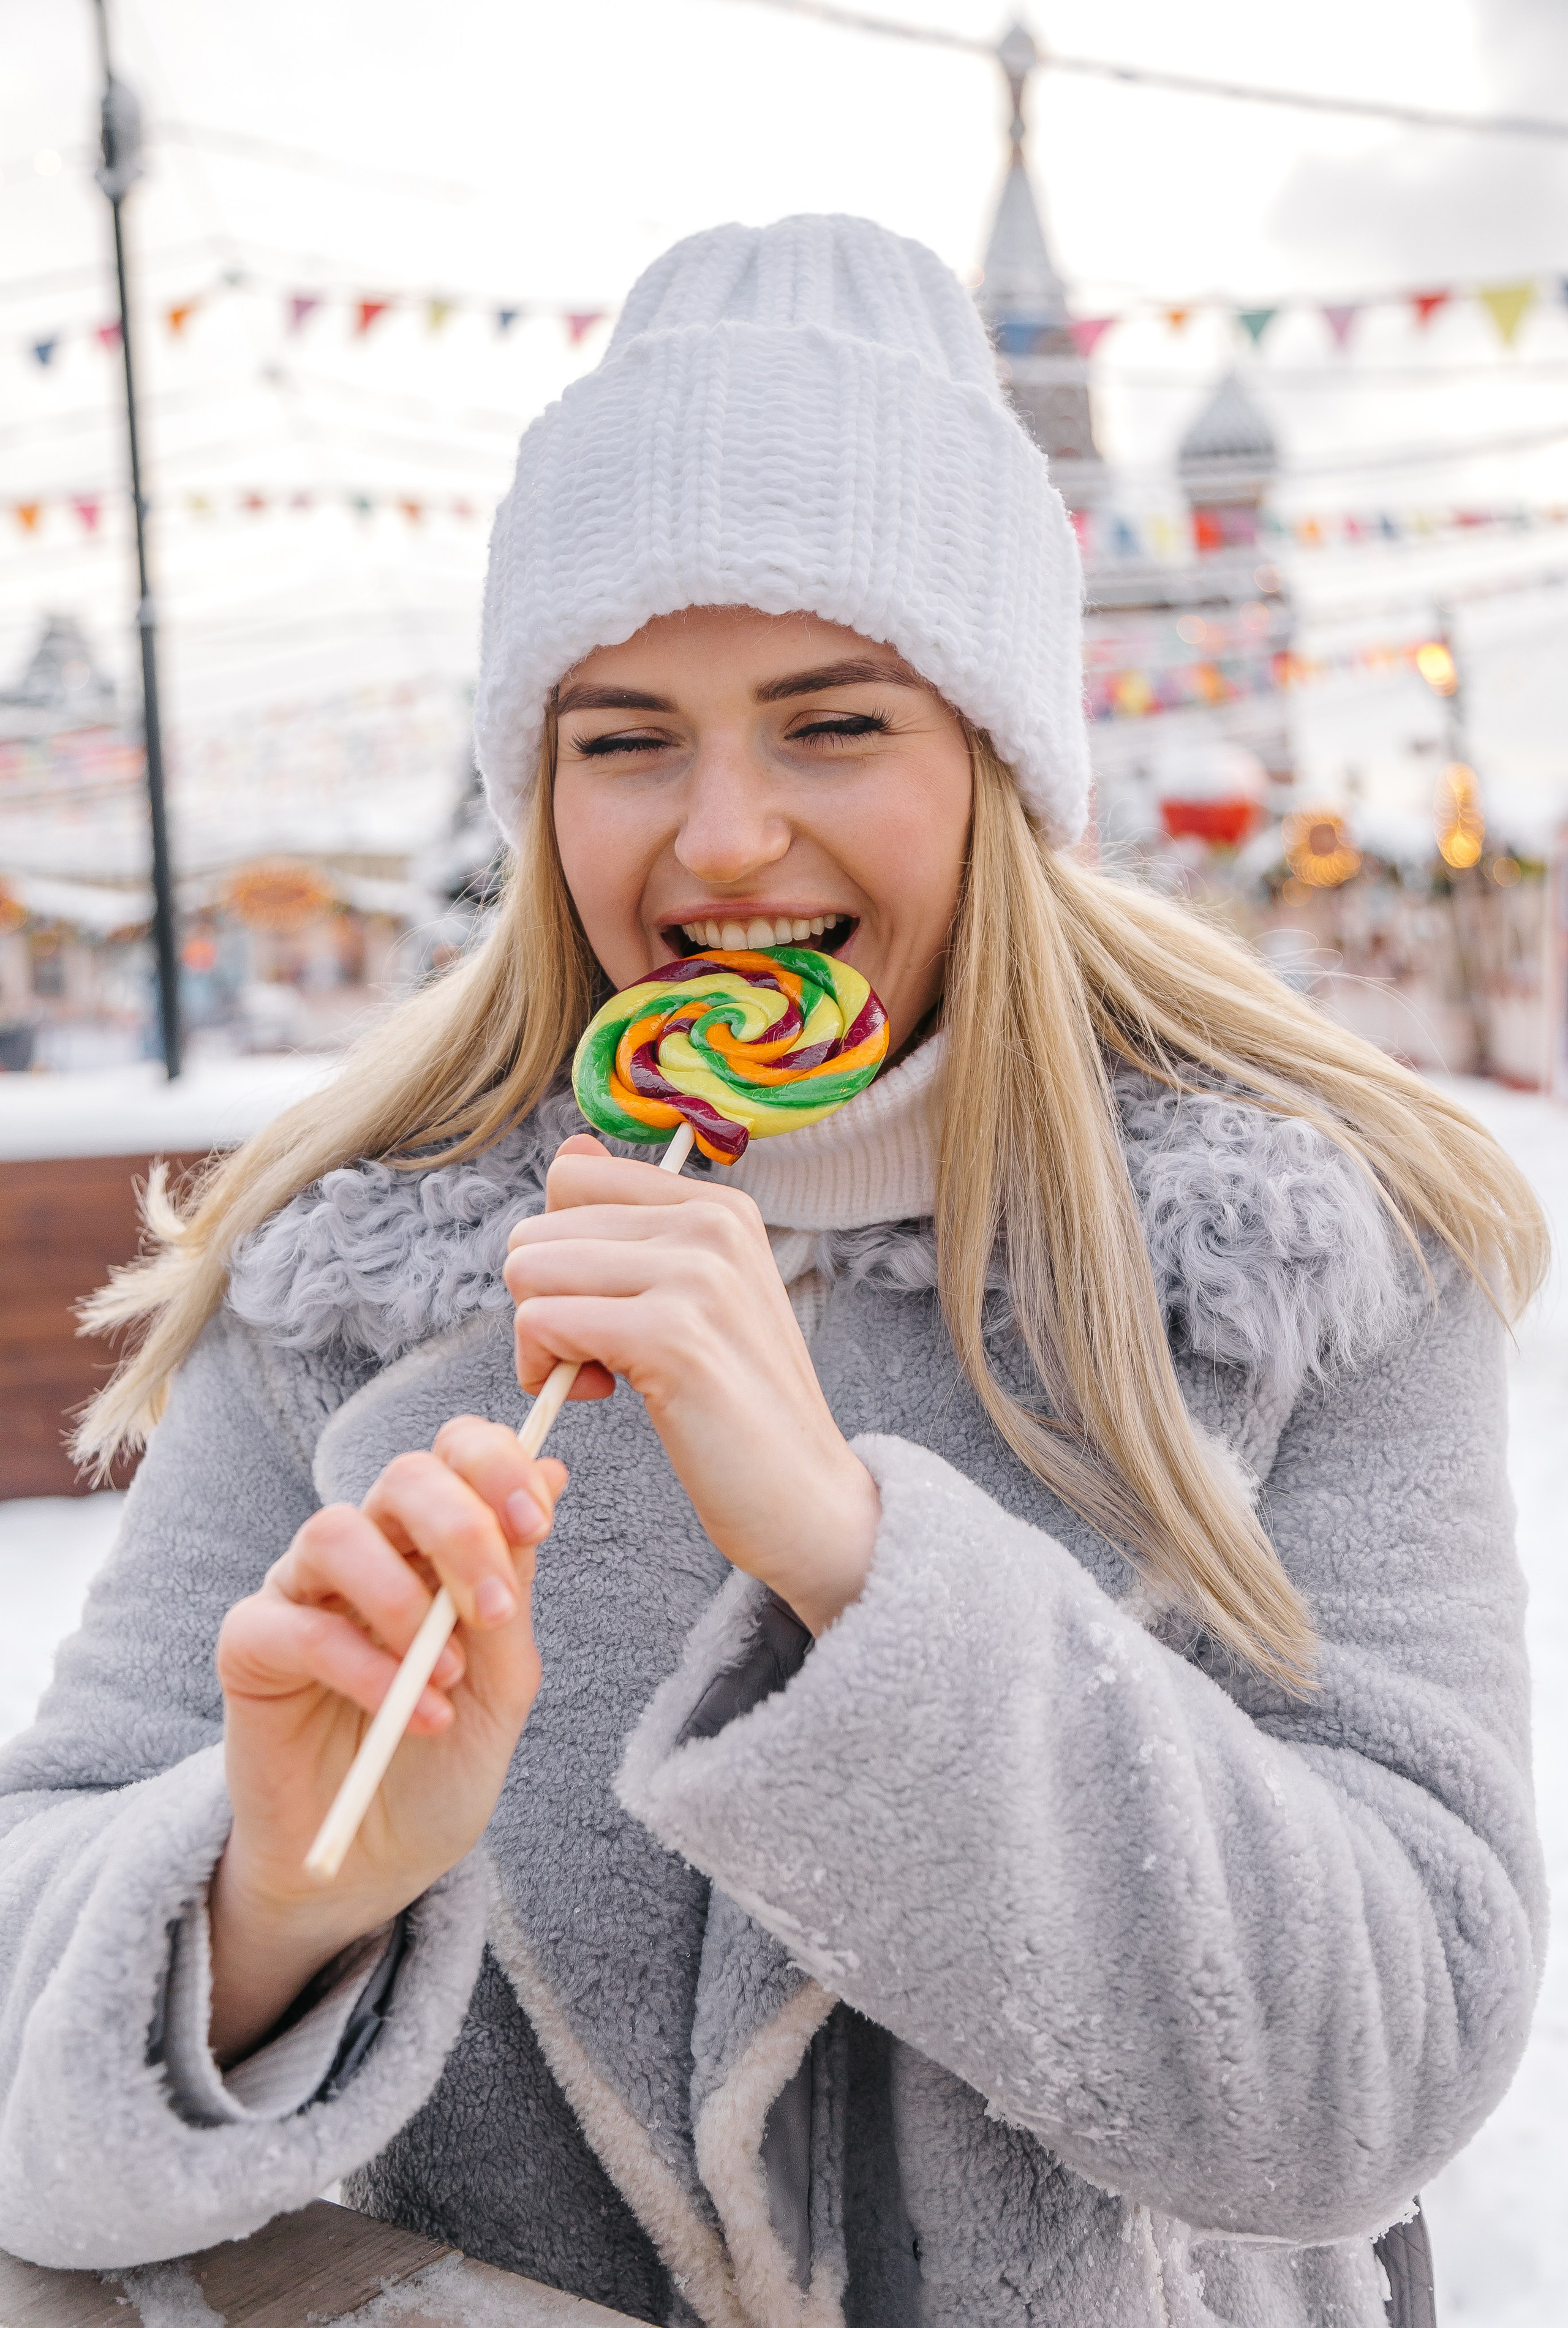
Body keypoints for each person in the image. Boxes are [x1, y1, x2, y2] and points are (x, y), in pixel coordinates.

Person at [0, 217, 1547, 2328]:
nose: (722, 839)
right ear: (535, 790)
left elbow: (1380, 2071)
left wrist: (852, 1561)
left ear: (1000, 769)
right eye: (623, 737)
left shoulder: (1307, 1254)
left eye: (834, 725)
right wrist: (268, 1895)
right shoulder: (346, 1276)